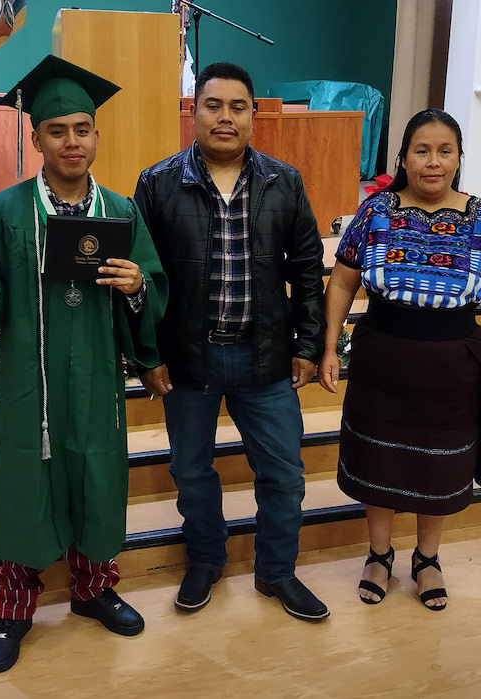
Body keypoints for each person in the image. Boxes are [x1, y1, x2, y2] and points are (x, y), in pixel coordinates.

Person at [0, 55, 168, 672]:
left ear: (96, 135)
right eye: (57, 130)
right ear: (35, 138)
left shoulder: (119, 210)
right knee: (23, 488)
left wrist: (137, 285)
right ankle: (12, 611)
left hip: (95, 380)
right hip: (27, 387)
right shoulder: (4, 212)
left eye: (82, 128)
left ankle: (92, 592)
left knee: (95, 478)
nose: (72, 141)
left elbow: (153, 291)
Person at [134, 62, 328, 621]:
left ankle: (277, 571)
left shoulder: (283, 181)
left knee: (284, 475)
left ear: (253, 115)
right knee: (191, 470)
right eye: (213, 106)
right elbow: (141, 278)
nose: (225, 118)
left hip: (264, 357)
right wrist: (148, 355)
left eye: (237, 107)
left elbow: (308, 270)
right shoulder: (158, 183)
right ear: (194, 114)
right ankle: (205, 559)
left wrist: (307, 345)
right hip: (188, 360)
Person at [319, 108, 481, 611]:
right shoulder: (375, 212)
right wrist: (329, 344)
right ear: (404, 157)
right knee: (379, 459)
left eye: (444, 151)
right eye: (421, 151)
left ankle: (427, 559)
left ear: (458, 158)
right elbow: (344, 279)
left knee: (441, 466)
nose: (433, 162)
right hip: (382, 355)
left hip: (453, 361)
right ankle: (379, 554)